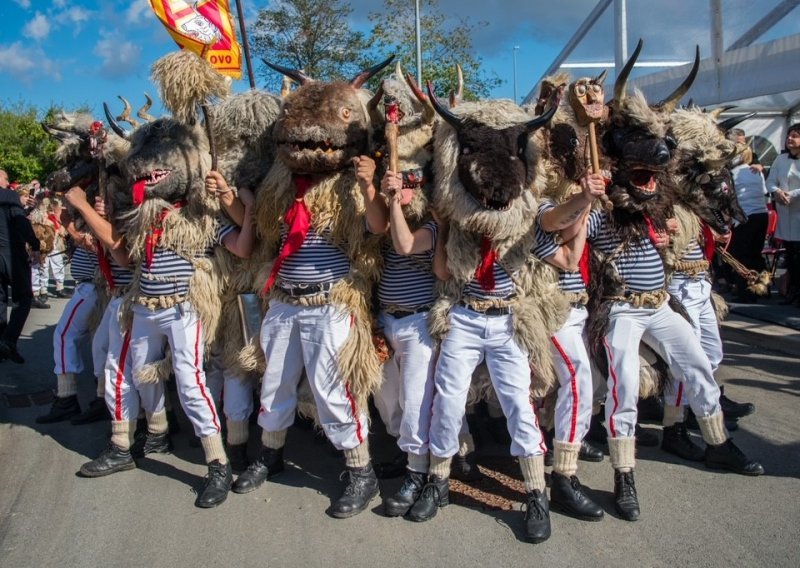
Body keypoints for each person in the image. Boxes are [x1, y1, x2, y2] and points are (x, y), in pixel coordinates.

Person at [0, 169, 40, 363]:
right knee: (24, 299)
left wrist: (26, 210)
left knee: (0, 300)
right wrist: (35, 244)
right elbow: (18, 222)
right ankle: (8, 340)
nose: (8, 182)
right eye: (6, 178)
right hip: (11, 253)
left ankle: (4, 344)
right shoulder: (9, 195)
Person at [728, 135, 769, 303]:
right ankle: (762, 288)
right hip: (761, 215)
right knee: (756, 254)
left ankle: (746, 292)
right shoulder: (756, 172)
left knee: (741, 256)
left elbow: (729, 196)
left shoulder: (733, 173)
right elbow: (764, 192)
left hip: (745, 217)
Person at [766, 123, 800, 304]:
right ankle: (791, 292)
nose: (790, 139)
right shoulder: (780, 160)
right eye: (789, 135)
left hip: (797, 211)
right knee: (790, 256)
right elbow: (770, 180)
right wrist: (777, 192)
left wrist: (791, 195)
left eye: (795, 136)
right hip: (785, 214)